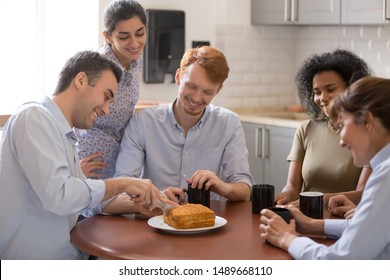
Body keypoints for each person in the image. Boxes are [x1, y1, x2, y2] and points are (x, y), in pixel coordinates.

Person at [0, 50, 172, 260]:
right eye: (106, 96)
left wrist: (143, 203)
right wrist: (122, 183)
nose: (107, 110)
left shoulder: (64, 133)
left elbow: (85, 197)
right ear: (81, 80)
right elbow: (60, 195)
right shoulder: (34, 118)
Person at [260, 76, 390, 259]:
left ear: (367, 121)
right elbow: (370, 228)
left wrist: (287, 239)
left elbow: (337, 262)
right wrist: (312, 225)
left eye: (343, 125)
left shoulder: (386, 175)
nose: (342, 141)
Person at [112, 45, 254, 206]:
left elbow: (245, 189)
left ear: (218, 90)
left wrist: (223, 187)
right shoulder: (143, 123)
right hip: (155, 217)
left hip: (207, 221)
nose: (196, 98)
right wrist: (157, 198)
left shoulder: (229, 124)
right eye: (191, 86)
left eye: (207, 92)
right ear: (178, 77)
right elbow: (122, 185)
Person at [275, 49, 372, 207]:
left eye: (330, 89)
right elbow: (293, 187)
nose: (323, 98)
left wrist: (314, 200)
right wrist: (284, 196)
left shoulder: (370, 134)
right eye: (317, 92)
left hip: (345, 220)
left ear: (351, 88)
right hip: (304, 216)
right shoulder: (306, 129)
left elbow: (363, 193)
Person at [75, 0, 147, 179]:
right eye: (124, 37)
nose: (134, 42)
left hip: (122, 154)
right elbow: (70, 109)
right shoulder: (97, 67)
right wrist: (73, 167)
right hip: (92, 155)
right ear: (107, 36)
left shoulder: (135, 57)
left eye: (140, 33)